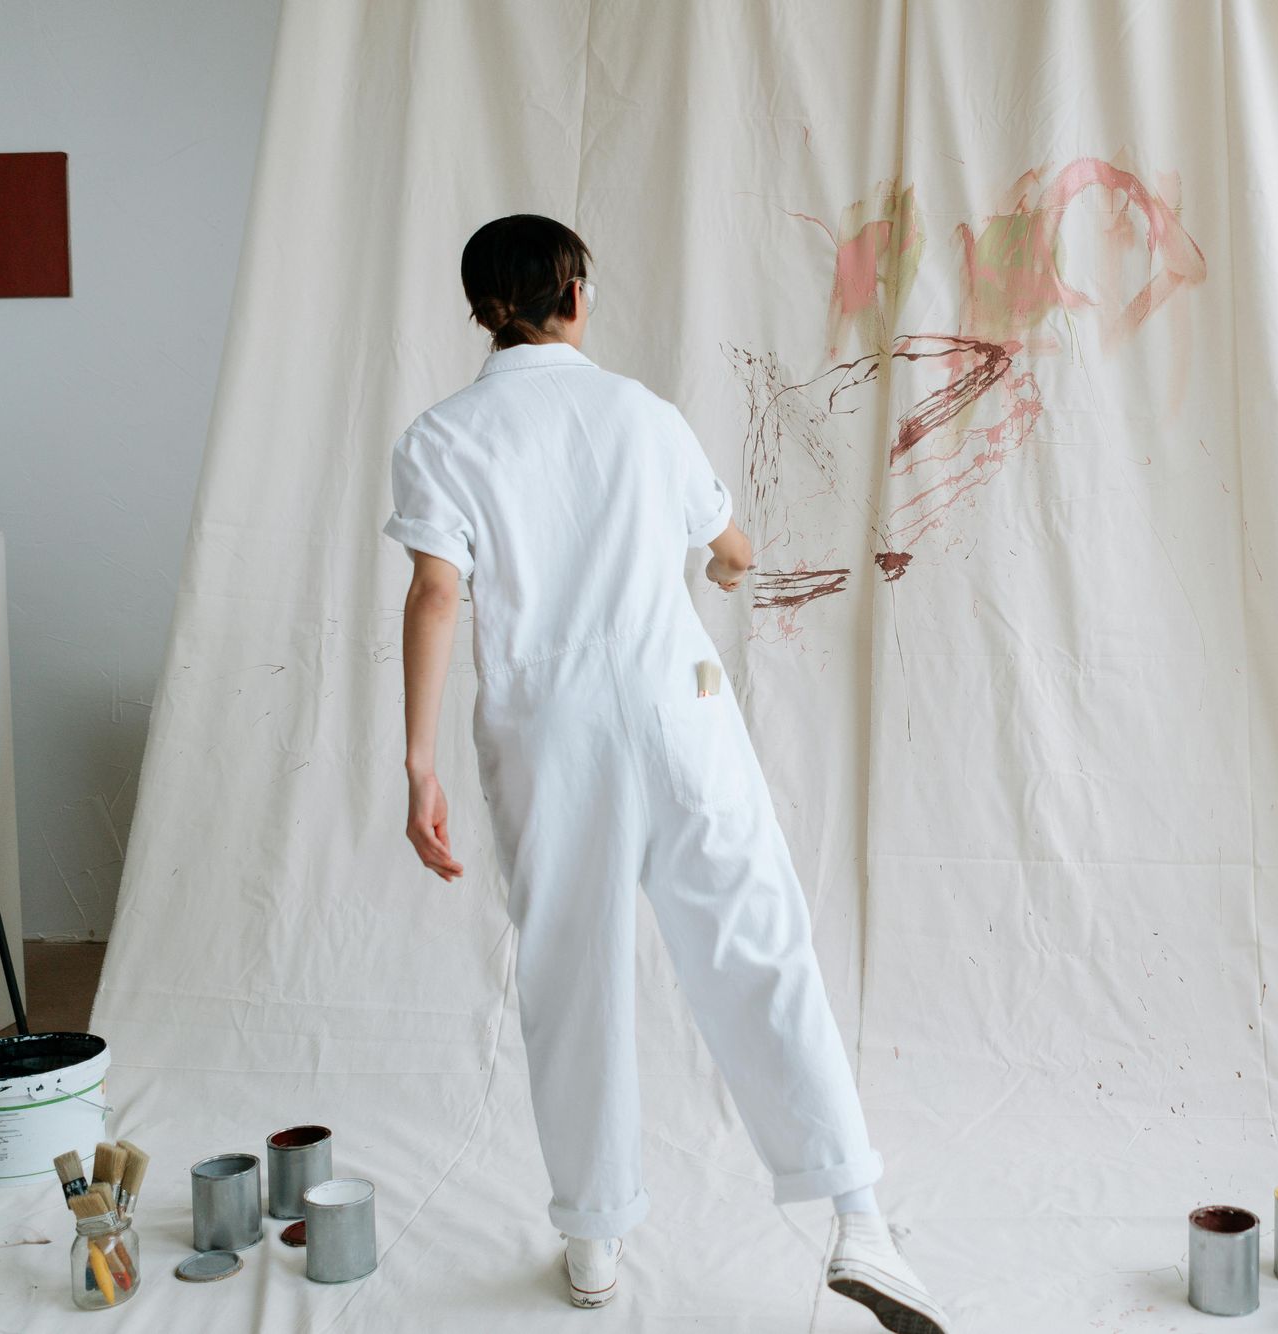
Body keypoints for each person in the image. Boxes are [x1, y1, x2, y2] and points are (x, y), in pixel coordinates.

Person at [385, 214, 949, 1331]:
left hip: (550, 729)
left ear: (480, 308)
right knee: (756, 945)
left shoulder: (443, 435)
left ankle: (592, 1238)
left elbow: (437, 592)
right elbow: (729, 548)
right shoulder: (642, 414)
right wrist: (724, 566)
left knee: (572, 971)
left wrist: (416, 762)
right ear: (575, 293)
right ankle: (860, 1220)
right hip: (676, 711)